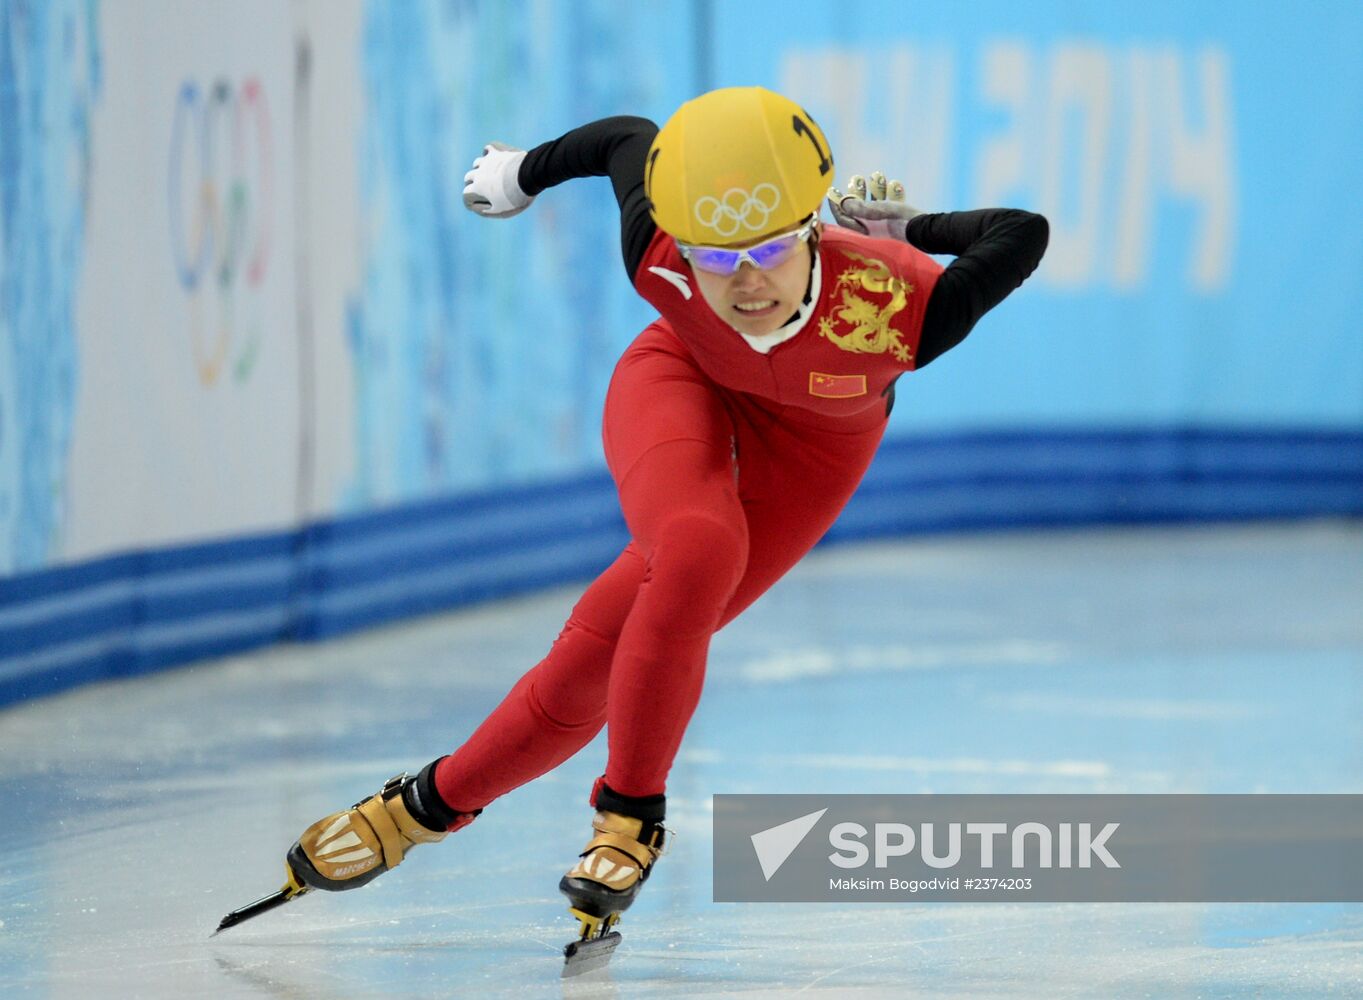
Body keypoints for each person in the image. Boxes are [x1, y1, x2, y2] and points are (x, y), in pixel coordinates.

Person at [277, 87, 1048, 944]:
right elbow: (626, 139)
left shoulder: (905, 308)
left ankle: (428, 804)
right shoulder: (656, 249)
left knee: (604, 652)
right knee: (695, 547)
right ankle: (630, 817)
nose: (744, 281)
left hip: (814, 450)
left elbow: (1022, 230)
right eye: (717, 261)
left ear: (808, 231)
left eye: (766, 251)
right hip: (679, 380)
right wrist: (520, 174)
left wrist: (912, 230)